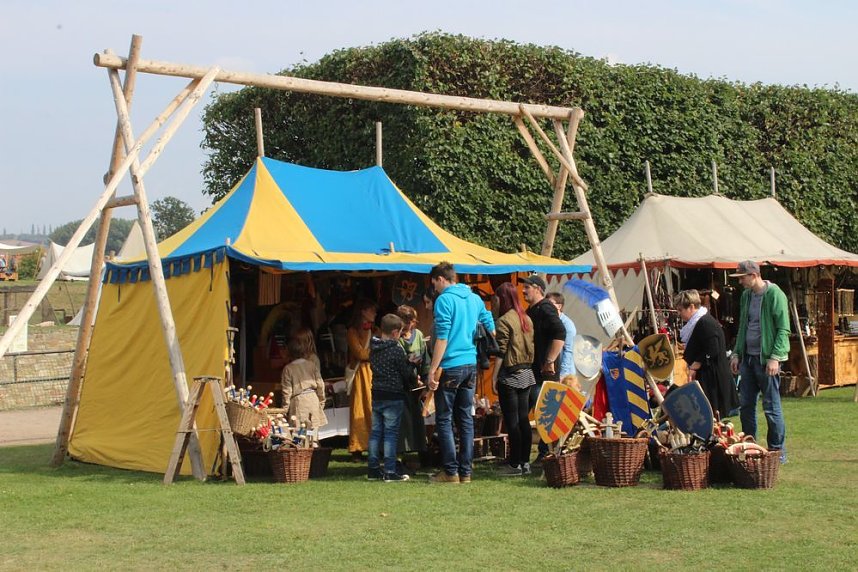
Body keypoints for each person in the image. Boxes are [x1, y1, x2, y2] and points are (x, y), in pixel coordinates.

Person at [426, 261, 495, 484]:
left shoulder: (444, 300)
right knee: (465, 419)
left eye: (434, 283)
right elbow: (489, 324)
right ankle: (466, 472)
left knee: (445, 419)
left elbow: (442, 337)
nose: (433, 287)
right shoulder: (474, 298)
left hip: (450, 364)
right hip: (470, 364)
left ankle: (450, 471)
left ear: (440, 279)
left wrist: (433, 369)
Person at [728, 260, 790, 463]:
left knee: (771, 407)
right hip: (748, 358)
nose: (740, 282)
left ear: (753, 275)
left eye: (742, 277)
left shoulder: (775, 294)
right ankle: (750, 446)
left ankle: (777, 452)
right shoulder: (746, 296)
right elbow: (743, 327)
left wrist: (774, 357)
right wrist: (737, 353)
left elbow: (783, 328)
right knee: (745, 405)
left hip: (766, 360)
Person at [492, 282, 536, 476]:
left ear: (502, 299)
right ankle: (525, 462)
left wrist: (494, 377)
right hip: (527, 372)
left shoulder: (504, 320)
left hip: (510, 374)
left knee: (513, 422)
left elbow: (501, 352)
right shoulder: (526, 317)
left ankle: (515, 464)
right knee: (524, 419)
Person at [521, 275, 566, 462]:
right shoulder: (531, 310)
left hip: (544, 374)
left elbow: (560, 332)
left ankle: (545, 454)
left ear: (538, 288)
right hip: (533, 372)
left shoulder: (546, 308)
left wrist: (549, 361)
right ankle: (536, 455)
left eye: (527, 287)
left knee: (546, 414)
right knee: (533, 414)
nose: (523, 290)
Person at [674, 290, 739, 418]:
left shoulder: (705, 322)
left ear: (691, 307)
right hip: (708, 374)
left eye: (681, 310)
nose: (679, 314)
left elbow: (712, 349)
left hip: (713, 377)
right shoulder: (699, 322)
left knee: (713, 414)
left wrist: (696, 364)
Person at [367, 314, 416, 482]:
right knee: (390, 434)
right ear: (395, 332)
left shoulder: (373, 347)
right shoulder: (396, 349)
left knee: (375, 433)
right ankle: (389, 470)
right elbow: (405, 373)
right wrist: (412, 364)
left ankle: (373, 469)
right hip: (393, 395)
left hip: (377, 393)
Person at [395, 304, 429, 461]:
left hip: (416, 386)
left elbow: (425, 359)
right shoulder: (397, 339)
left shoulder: (419, 335)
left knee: (417, 420)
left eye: (411, 321)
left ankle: (420, 451)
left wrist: (426, 379)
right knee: (403, 422)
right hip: (401, 386)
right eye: (406, 321)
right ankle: (401, 453)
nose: (409, 325)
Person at [347, 299, 378, 462]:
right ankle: (357, 447)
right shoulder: (352, 331)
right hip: (360, 374)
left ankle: (374, 445)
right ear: (363, 312)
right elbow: (359, 353)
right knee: (360, 409)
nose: (374, 313)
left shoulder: (376, 330)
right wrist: (376, 351)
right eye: (371, 310)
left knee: (372, 408)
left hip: (373, 373)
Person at [280, 328, 328, 430]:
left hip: (298, 402)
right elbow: (320, 384)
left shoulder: (288, 369)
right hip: (313, 399)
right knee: (313, 432)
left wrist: (284, 409)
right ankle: (314, 445)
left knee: (300, 433)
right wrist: (321, 400)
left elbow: (287, 391)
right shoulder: (311, 365)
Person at [546, 292, 577, 378]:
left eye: (550, 303)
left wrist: (563, 375)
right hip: (551, 370)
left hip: (565, 374)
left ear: (559, 306)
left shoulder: (568, 325)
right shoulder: (548, 322)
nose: (547, 307)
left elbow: (568, 350)